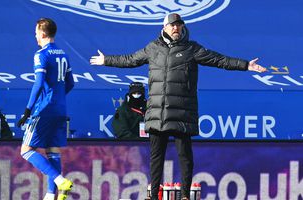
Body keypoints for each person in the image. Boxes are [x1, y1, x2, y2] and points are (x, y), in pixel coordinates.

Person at [90, 13, 266, 200]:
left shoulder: (192, 49)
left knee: (185, 156)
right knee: (156, 157)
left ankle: (184, 195)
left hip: (183, 111)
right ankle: (152, 195)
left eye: (179, 25)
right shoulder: (153, 48)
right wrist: (106, 60)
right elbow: (130, 60)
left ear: (182, 27)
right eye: (172, 25)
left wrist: (246, 65)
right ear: (164, 28)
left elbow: (219, 60)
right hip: (158, 111)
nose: (176, 28)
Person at [17, 18, 74, 200]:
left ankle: (59, 180)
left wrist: (28, 110)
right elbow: (71, 83)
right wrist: (58, 97)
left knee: (26, 150)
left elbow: (39, 83)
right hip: (60, 109)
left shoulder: (41, 54)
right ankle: (51, 195)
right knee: (53, 152)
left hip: (44, 109)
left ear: (42, 33)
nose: (35, 36)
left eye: (35, 32)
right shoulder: (63, 54)